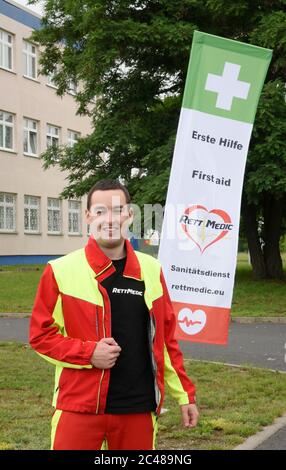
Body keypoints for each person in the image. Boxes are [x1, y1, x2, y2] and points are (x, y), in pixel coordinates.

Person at [29, 179, 199, 450]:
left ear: (130, 215)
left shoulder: (152, 270)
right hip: (78, 407)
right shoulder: (59, 270)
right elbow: (40, 337)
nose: (109, 219)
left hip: (138, 409)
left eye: (118, 210)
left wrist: (185, 396)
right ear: (87, 217)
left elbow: (165, 341)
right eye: (99, 211)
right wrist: (88, 354)